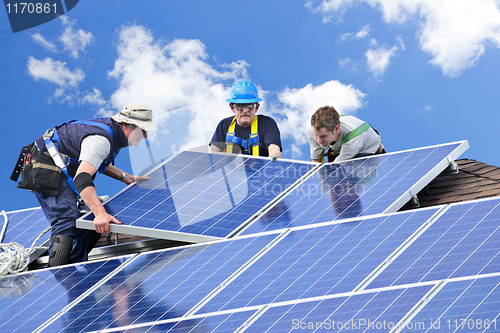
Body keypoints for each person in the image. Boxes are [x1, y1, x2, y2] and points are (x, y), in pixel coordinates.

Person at [20, 104, 157, 267]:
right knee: (67, 218)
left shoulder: (112, 136)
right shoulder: (102, 140)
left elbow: (98, 162)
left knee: (85, 221)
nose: (146, 136)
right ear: (126, 125)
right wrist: (99, 213)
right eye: (142, 130)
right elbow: (82, 176)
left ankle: (75, 271)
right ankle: (59, 274)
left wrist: (126, 178)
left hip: (58, 164)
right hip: (43, 164)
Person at [209, 80, 282, 158]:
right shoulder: (224, 125)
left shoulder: (267, 124)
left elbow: (274, 149)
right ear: (232, 107)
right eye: (240, 106)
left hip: (261, 169)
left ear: (256, 107)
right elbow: (212, 153)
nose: (245, 110)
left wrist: (273, 158)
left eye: (250, 106)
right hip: (230, 169)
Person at [308, 105, 385, 163]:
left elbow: (334, 170)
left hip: (367, 151)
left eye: (323, 136)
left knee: (352, 175)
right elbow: (316, 162)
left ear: (336, 129)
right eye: (316, 136)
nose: (319, 141)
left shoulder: (352, 141)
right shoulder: (312, 131)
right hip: (343, 147)